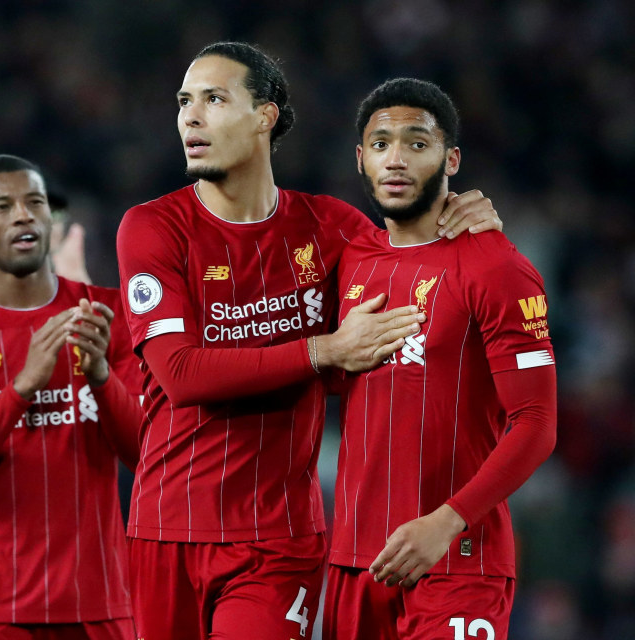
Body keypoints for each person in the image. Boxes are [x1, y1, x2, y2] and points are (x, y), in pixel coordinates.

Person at [115, 42, 501, 640]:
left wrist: (468, 228)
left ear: (266, 116)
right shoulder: (152, 227)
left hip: (280, 539)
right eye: (185, 102)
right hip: (164, 527)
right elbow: (180, 374)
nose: (190, 117)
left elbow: (418, 273)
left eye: (214, 99)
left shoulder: (334, 229)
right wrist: (323, 351)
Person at [322, 79, 557, 640]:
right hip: (354, 565)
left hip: (457, 560)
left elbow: (537, 425)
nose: (396, 159)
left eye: (417, 143)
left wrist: (446, 522)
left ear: (451, 158)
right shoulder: (350, 255)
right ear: (360, 159)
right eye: (380, 145)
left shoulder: (497, 267)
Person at [0, 154, 143, 640]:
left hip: (99, 604)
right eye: (2, 206)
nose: (22, 214)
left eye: (34, 202)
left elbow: (146, 453)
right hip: (4, 611)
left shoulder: (106, 314)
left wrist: (100, 375)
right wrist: (21, 389)